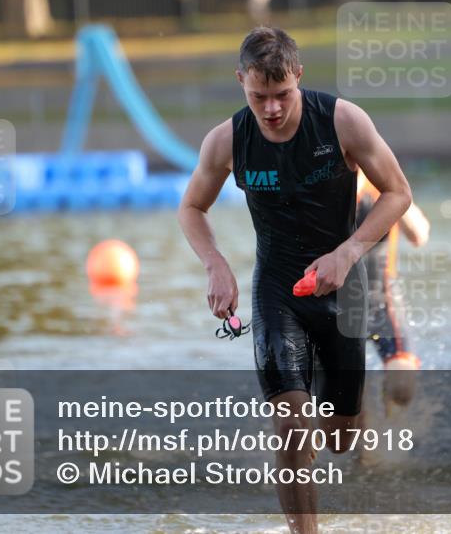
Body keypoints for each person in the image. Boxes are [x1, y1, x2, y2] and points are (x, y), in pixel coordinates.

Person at [177, 26, 412, 534]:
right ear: (240, 80)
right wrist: (215, 263)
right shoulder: (227, 140)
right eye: (258, 96)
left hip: (342, 287)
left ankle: (347, 402)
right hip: (278, 292)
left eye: (282, 95)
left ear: (299, 77)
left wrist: (348, 251)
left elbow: (397, 193)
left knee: (341, 438)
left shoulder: (342, 120)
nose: (272, 109)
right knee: (290, 423)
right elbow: (192, 206)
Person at [356, 170, 430, 414]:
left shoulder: (381, 185)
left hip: (382, 299)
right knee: (351, 403)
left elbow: (419, 235)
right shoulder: (317, 188)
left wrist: (399, 199)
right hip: (335, 306)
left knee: (402, 389)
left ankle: (389, 413)